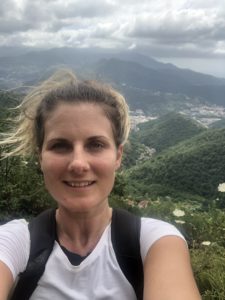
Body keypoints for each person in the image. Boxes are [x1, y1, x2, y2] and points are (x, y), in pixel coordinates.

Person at [0, 69, 201, 300]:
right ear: (40, 157)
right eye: (60, 145)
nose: (78, 163)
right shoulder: (14, 243)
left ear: (118, 156)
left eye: (95, 144)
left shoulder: (155, 242)